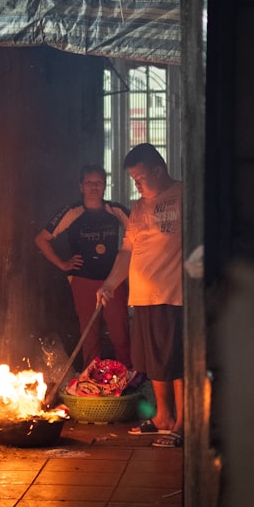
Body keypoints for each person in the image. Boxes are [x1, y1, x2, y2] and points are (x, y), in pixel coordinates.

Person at [96, 144, 183, 448]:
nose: (137, 185)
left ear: (159, 171)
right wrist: (110, 283)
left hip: (173, 294)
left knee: (175, 360)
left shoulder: (184, 196)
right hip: (143, 297)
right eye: (134, 179)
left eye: (141, 178)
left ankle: (182, 425)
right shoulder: (139, 207)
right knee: (153, 361)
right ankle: (163, 418)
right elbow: (126, 251)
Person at [35, 164, 132, 370]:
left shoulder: (115, 210)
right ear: (81, 186)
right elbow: (41, 239)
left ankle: (127, 379)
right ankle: (92, 379)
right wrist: (62, 264)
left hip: (113, 281)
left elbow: (142, 234)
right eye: (89, 182)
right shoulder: (72, 212)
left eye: (98, 182)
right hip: (83, 280)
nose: (94, 187)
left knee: (120, 332)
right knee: (89, 334)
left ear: (105, 185)